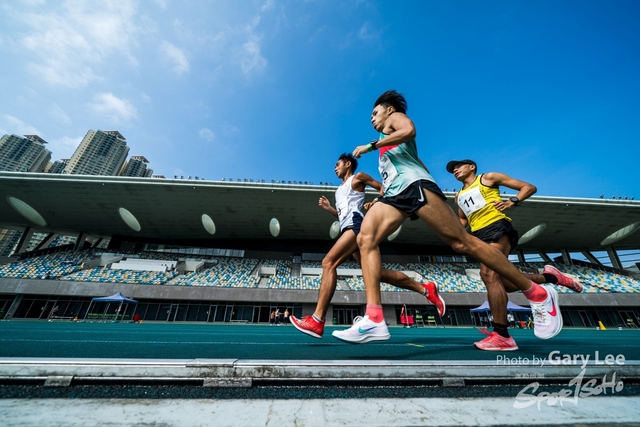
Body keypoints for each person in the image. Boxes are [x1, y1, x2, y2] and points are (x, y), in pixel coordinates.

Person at [332, 89, 562, 344]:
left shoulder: (393, 121)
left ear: (388, 110)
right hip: (397, 194)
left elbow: (409, 130)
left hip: (415, 187)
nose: (373, 119)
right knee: (366, 239)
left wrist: (371, 145)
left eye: (375, 113)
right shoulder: (387, 140)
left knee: (461, 242)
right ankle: (374, 317)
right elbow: (417, 161)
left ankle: (538, 292)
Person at [290, 153, 445, 339]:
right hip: (348, 226)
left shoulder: (358, 177)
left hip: (357, 226)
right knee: (376, 273)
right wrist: (329, 208)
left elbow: (382, 187)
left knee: (328, 263)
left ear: (348, 164)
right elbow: (342, 217)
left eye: (337, 164)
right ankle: (426, 289)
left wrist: (377, 202)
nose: (334, 168)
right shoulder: (339, 189)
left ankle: (317, 320)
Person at [448, 159, 583, 351]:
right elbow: (462, 220)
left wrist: (512, 201)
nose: (455, 170)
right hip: (478, 236)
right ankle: (552, 277)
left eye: (458, 166)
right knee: (508, 284)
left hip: (496, 227)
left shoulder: (487, 178)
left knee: (488, 274)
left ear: (472, 167)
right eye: (452, 169)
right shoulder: (458, 196)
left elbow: (529, 187)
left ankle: (502, 334)